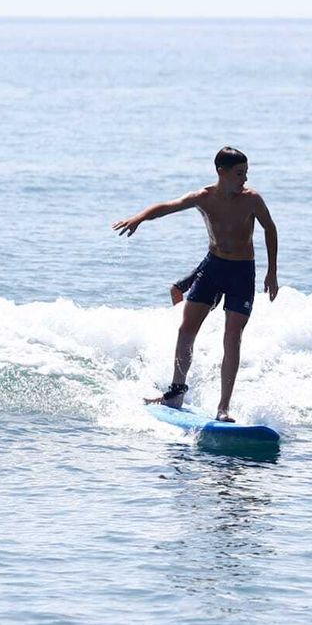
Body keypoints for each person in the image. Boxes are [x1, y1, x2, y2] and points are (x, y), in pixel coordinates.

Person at [113, 147, 279, 422]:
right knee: (187, 328)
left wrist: (272, 272)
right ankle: (176, 392)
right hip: (214, 266)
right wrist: (140, 217)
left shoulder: (252, 200)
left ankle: (223, 407)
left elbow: (270, 229)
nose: (244, 180)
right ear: (221, 172)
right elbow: (168, 207)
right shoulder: (204, 198)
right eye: (239, 174)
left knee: (233, 337)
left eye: (246, 173)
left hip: (242, 272)